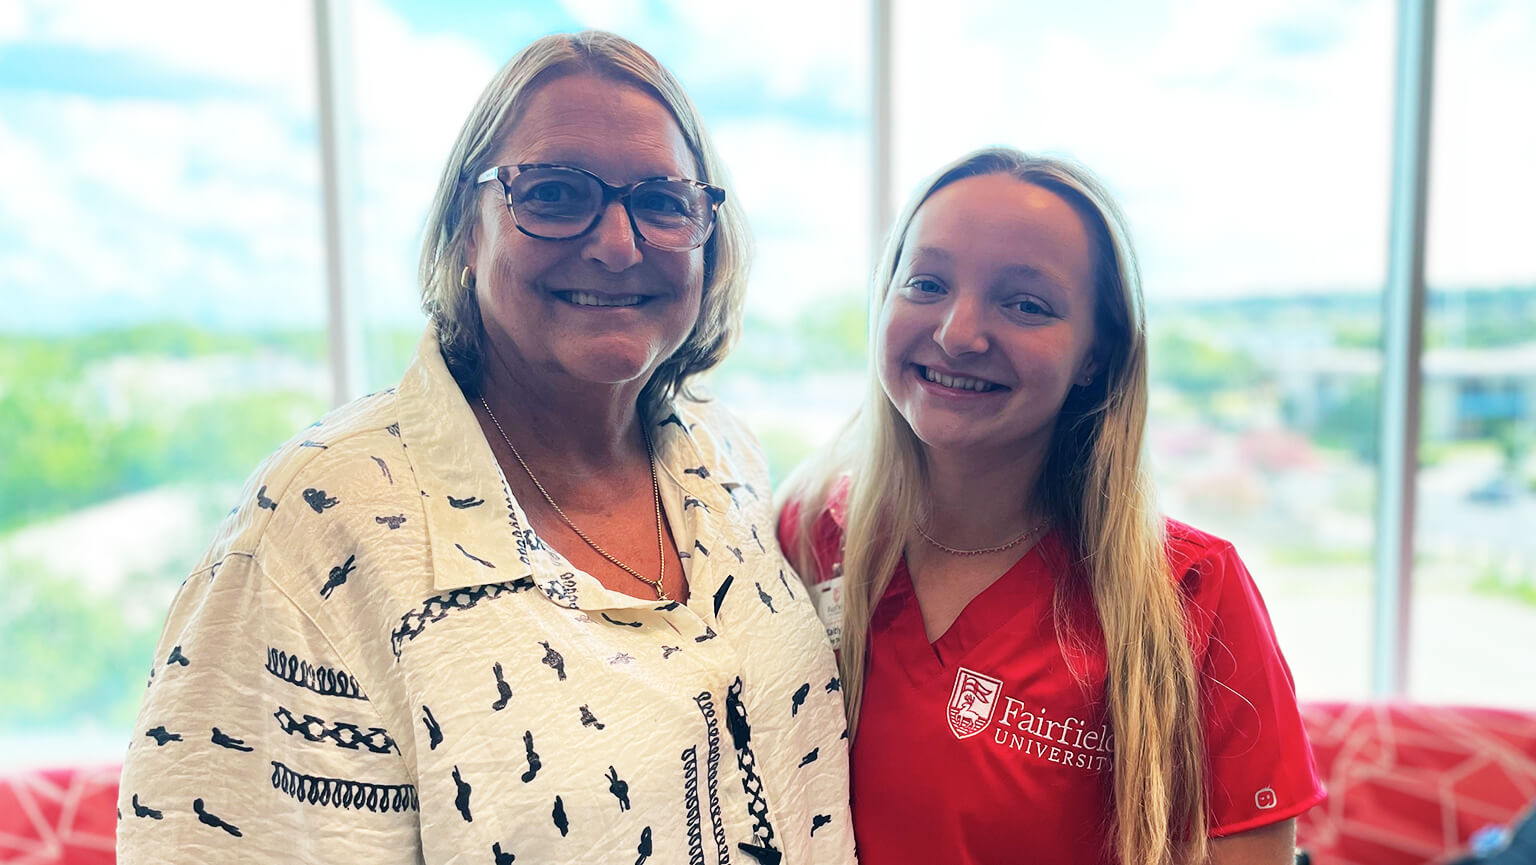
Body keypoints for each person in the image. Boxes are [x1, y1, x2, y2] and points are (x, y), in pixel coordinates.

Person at [118, 30, 854, 865]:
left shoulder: (729, 459)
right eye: (554, 193)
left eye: (662, 201)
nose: (618, 243)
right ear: (467, 231)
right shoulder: (318, 526)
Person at [779, 148, 1324, 865]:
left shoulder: (1192, 595)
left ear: (1096, 355)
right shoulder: (809, 532)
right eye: (927, 283)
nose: (957, 332)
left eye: (1025, 304)